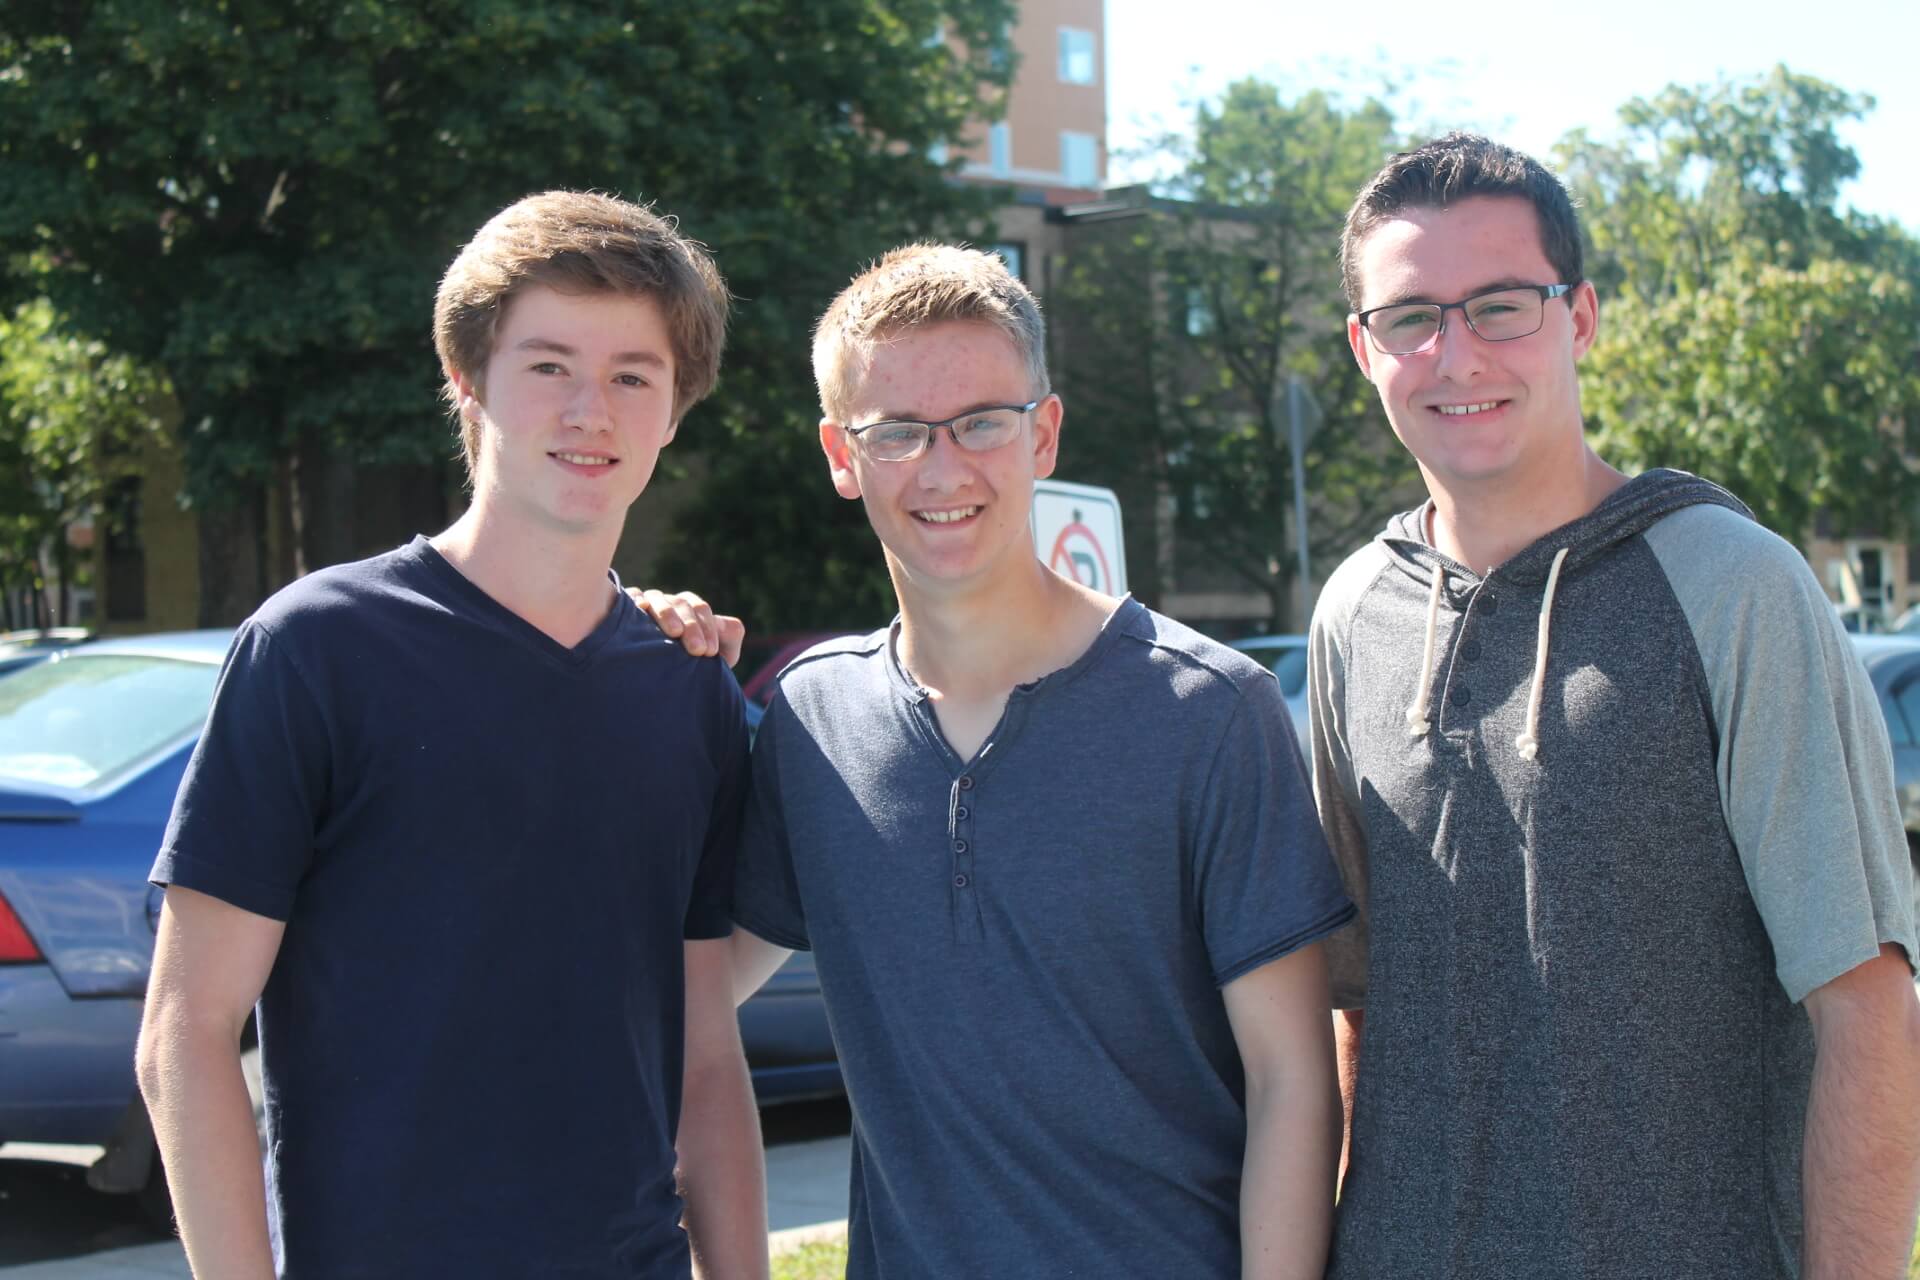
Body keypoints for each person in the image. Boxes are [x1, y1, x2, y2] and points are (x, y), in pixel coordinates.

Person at [1312, 132, 1920, 1278]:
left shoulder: (1734, 583)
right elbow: (1357, 1006)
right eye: (1412, 317)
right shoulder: (1353, 612)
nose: (1456, 353)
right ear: (1364, 347)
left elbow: (1870, 1010)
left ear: (1579, 316)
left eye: (1500, 305)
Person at [135, 191, 767, 1280]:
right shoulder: (316, 648)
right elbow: (185, 1035)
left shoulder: (687, 689)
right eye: (548, 365)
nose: (591, 409)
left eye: (632, 375)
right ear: (467, 380)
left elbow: (705, 1054)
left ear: (675, 412)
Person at [727, 243, 1355, 1278]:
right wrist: (609, 645)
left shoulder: (1209, 708)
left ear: (1044, 433)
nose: (943, 466)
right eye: (897, 432)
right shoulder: (812, 717)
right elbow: (678, 992)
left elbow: (1293, 1077)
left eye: (981, 421)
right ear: (842, 454)